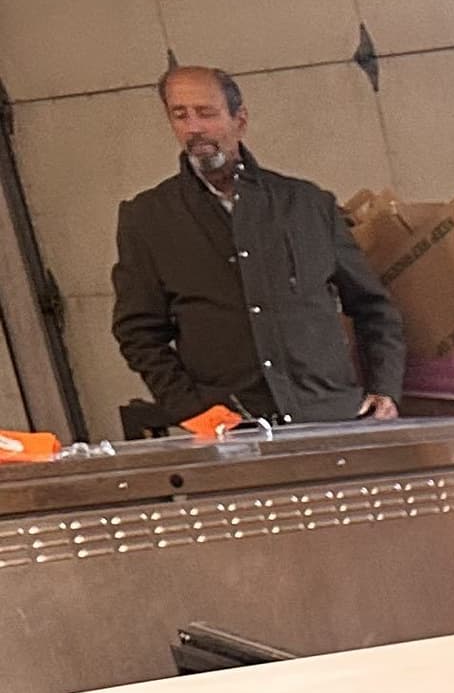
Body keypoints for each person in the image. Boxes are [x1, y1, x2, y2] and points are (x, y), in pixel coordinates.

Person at [110, 65, 403, 428]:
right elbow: (138, 332)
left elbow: (373, 306)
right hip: (230, 427)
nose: (194, 127)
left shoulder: (307, 204)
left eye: (206, 113)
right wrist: (190, 408)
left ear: (240, 119)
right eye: (180, 115)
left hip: (330, 416)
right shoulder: (148, 217)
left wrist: (385, 388)